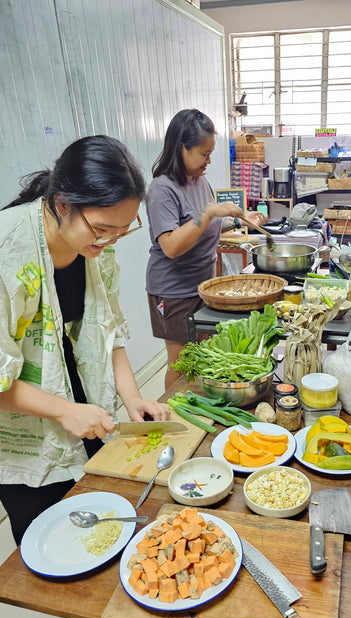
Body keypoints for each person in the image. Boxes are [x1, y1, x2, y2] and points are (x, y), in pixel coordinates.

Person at [0, 135, 169, 545]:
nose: (110, 240)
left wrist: (133, 398)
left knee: (100, 529)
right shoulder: (9, 252)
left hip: (79, 409)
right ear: (62, 203)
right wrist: (62, 411)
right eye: (103, 229)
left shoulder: (94, 248)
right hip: (23, 427)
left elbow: (107, 330)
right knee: (51, 542)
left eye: (122, 231)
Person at [145, 109, 268, 389]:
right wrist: (211, 211)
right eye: (203, 154)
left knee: (203, 356)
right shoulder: (162, 189)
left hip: (203, 286)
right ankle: (176, 414)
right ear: (181, 148)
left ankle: (196, 402)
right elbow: (172, 246)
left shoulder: (200, 181)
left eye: (210, 153)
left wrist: (236, 221)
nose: (208, 161)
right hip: (173, 291)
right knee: (181, 362)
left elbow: (204, 226)